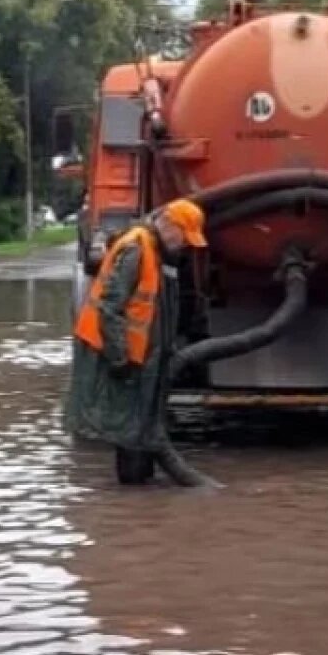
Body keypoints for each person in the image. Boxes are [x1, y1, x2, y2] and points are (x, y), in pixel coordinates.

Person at [63, 199, 208, 484]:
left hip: (137, 354)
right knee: (127, 426)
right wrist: (120, 358)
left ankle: (139, 488)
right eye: (183, 238)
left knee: (138, 425)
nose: (184, 246)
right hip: (119, 352)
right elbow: (109, 307)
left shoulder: (156, 251)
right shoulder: (136, 248)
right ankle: (132, 488)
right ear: (168, 226)